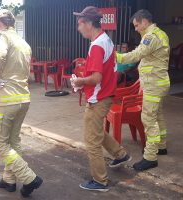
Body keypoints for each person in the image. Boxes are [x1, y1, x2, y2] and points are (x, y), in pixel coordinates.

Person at [72, 6, 131, 192]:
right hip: (105, 95)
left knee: (91, 141)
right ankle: (120, 154)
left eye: (80, 24)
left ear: (89, 23)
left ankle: (100, 181)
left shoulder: (97, 45)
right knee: (96, 131)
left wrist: (79, 81)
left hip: (98, 98)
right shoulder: (106, 40)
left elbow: (96, 78)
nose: (78, 28)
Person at [0, 9, 43, 197]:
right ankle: (9, 180)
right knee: (13, 141)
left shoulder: (1, 36)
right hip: (22, 99)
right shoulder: (23, 42)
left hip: (4, 100)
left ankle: (29, 177)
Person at [116, 9, 170, 171]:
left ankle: (150, 157)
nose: (136, 29)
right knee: (157, 115)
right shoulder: (161, 34)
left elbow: (138, 54)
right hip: (159, 82)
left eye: (137, 25)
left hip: (153, 84)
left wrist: (117, 57)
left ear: (145, 21)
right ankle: (161, 146)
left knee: (148, 119)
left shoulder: (151, 36)